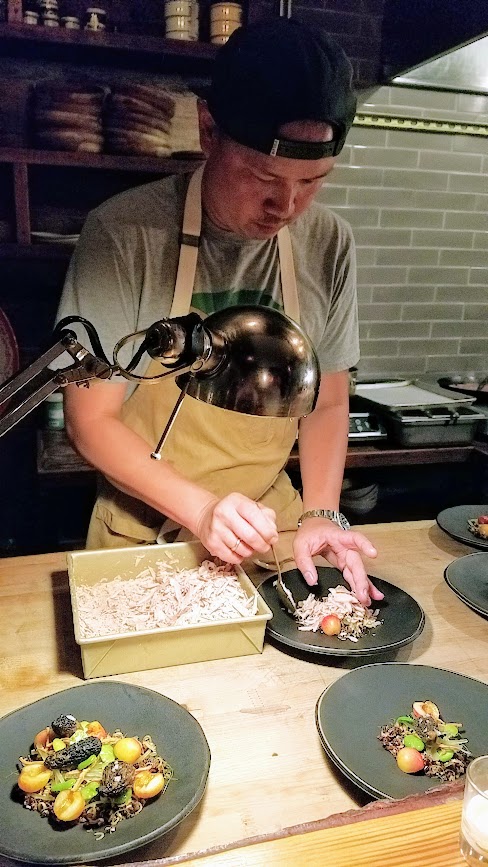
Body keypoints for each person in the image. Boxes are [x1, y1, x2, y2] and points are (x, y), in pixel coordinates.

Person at [56, 18, 383, 607]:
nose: (286, 206)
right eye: (264, 176)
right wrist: (202, 510)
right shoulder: (125, 233)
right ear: (209, 130)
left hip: (272, 526)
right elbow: (90, 419)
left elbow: (329, 400)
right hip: (145, 528)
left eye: (313, 181)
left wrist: (323, 512)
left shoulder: (328, 243)